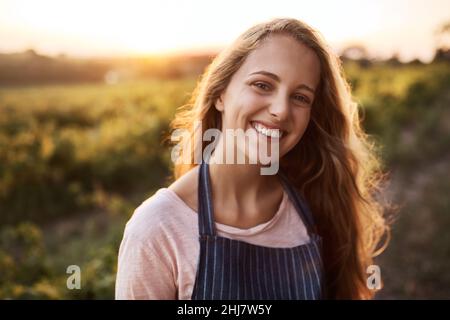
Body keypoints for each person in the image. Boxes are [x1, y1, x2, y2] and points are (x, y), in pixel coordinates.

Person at [115, 17, 389, 300]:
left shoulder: (316, 202)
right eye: (262, 85)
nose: (281, 110)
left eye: (300, 97)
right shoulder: (157, 229)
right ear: (221, 94)